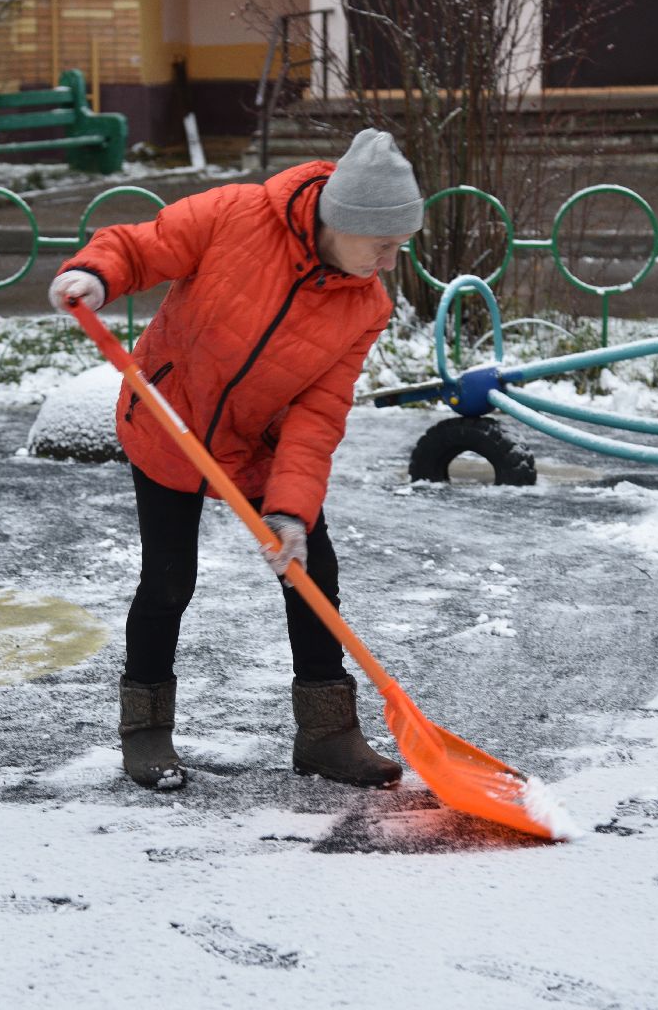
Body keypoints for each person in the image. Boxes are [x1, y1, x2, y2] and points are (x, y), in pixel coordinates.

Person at [48, 129, 423, 792]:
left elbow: (318, 416)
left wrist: (289, 513)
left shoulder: (365, 305)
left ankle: (327, 734)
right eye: (384, 246)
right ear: (343, 223)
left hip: (257, 449)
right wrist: (97, 274)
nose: (391, 263)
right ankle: (146, 731)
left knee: (311, 572)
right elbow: (143, 245)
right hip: (169, 423)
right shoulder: (236, 215)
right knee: (168, 580)